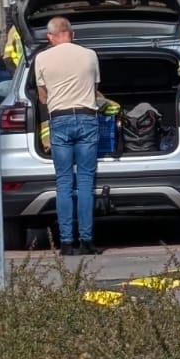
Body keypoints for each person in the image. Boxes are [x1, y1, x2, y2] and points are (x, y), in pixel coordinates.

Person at [34, 15, 103, 258]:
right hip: (87, 118)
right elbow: (95, 90)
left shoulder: (41, 58)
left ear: (50, 36)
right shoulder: (90, 55)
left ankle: (65, 243)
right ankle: (87, 241)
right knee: (85, 182)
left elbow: (42, 97)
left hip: (60, 120)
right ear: (71, 34)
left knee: (64, 182)